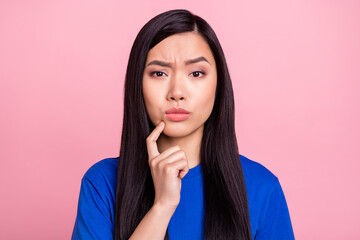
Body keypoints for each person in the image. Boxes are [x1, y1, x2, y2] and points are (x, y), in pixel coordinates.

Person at [71, 9, 295, 240]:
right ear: (137, 84)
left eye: (196, 73)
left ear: (219, 85)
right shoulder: (102, 183)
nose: (177, 92)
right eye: (159, 73)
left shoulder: (261, 187)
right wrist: (162, 206)